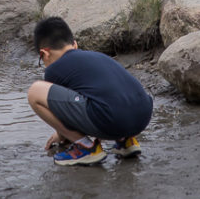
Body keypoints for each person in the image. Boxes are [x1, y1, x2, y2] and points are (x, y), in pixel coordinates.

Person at [27, 16, 153, 166]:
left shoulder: (54, 69)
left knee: (35, 91)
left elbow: (64, 111)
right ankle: (126, 141)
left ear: (44, 54)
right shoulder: (97, 56)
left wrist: (62, 134)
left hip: (112, 120)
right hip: (143, 115)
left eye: (43, 61)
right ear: (75, 44)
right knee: (103, 95)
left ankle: (85, 147)